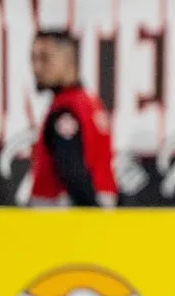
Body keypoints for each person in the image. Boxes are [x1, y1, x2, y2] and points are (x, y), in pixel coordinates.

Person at [29, 30, 118, 208]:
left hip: (65, 215)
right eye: (33, 59)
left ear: (67, 59)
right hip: (98, 208)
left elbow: (71, 170)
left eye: (45, 58)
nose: (36, 67)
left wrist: (92, 215)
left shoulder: (66, 111)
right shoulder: (91, 103)